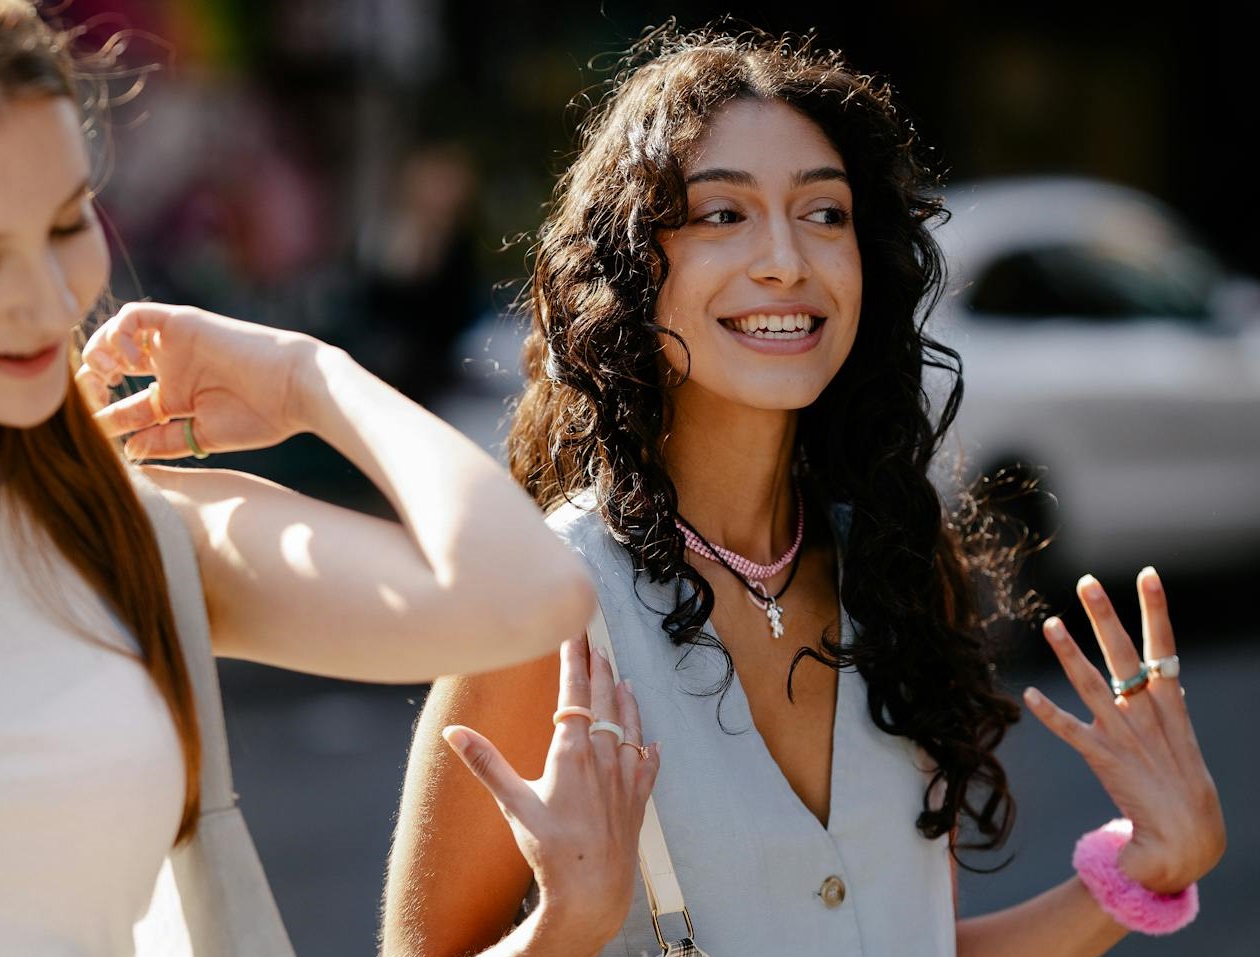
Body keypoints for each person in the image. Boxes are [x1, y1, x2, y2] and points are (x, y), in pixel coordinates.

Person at [382, 22, 1226, 957]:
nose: (788, 258)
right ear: (631, 267)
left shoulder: (903, 579)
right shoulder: (544, 610)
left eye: (825, 214)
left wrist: (1143, 871)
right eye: (722, 214)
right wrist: (561, 928)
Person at [0, 2, 657, 954]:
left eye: (65, 225)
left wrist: (311, 377)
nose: (46, 297)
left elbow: (528, 593)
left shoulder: (117, 530)